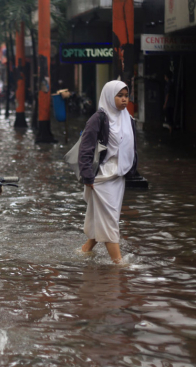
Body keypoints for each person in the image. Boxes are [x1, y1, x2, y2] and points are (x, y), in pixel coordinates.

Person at [78, 80, 138, 264]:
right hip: (102, 177)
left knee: (105, 217)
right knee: (110, 220)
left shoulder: (127, 118)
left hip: (118, 177)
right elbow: (85, 148)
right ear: (109, 96)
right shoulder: (99, 118)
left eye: (126, 96)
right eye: (119, 95)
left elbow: (131, 148)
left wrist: (133, 170)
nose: (124, 100)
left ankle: (85, 250)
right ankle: (118, 263)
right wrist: (87, 175)